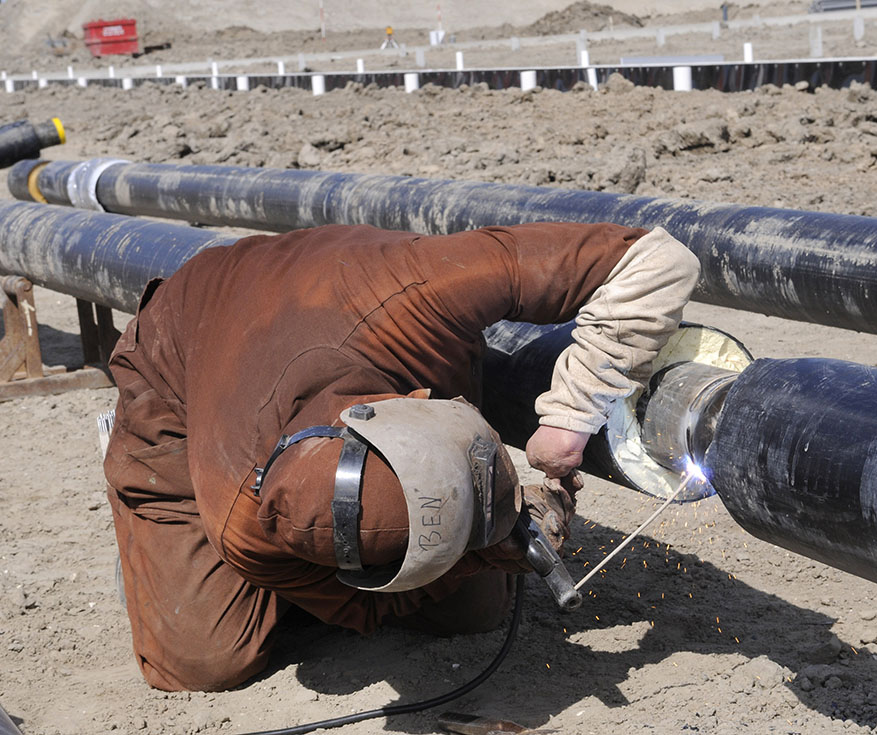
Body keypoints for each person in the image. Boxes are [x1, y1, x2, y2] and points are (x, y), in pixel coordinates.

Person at [103, 221, 699, 691]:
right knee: (205, 665)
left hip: (328, 287)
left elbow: (658, 259)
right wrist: (483, 556)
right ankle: (154, 493)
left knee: (470, 616)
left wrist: (570, 419)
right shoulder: (242, 516)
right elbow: (356, 613)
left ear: (419, 406)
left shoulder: (420, 294)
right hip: (178, 377)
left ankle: (351, 560)